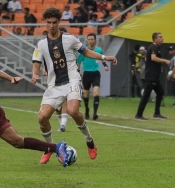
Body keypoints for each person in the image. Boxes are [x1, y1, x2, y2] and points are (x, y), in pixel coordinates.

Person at [31, 7, 117, 164]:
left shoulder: (70, 39)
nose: (51, 25)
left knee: (72, 110)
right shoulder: (41, 44)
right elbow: (36, 62)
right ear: (45, 23)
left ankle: (89, 141)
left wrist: (105, 57)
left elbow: (86, 52)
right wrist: (35, 74)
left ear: (59, 22)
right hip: (54, 85)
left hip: (72, 79)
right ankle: (50, 147)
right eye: (48, 22)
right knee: (42, 118)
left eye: (54, 22)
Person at [77, 33, 115, 120]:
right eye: (89, 39)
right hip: (86, 74)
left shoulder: (99, 50)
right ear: (87, 40)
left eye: (92, 39)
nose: (90, 41)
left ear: (95, 40)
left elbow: (102, 58)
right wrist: (77, 72)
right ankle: (87, 110)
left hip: (95, 73)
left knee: (96, 93)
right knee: (86, 95)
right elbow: (78, 62)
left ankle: (95, 113)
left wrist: (105, 65)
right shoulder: (84, 51)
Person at [135, 32, 170, 121]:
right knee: (146, 95)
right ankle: (139, 115)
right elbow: (153, 58)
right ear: (155, 39)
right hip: (151, 76)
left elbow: (147, 58)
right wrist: (165, 60)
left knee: (160, 92)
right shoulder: (154, 46)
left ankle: (157, 114)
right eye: (160, 37)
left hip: (154, 76)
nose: (162, 38)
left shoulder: (155, 47)